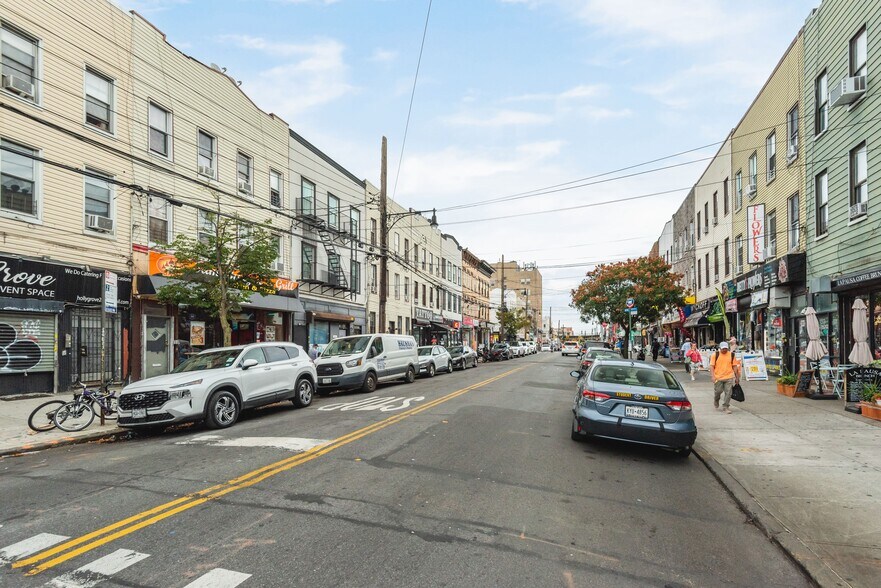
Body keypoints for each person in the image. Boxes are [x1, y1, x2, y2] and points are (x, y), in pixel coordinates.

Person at [710, 342, 741, 414]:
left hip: (729, 377)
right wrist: (713, 376)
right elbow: (711, 366)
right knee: (718, 391)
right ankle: (716, 399)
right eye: (723, 349)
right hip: (718, 377)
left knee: (728, 393)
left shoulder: (731, 355)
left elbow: (735, 366)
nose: (724, 350)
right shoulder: (715, 355)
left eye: (726, 348)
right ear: (720, 348)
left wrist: (737, 377)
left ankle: (726, 406)